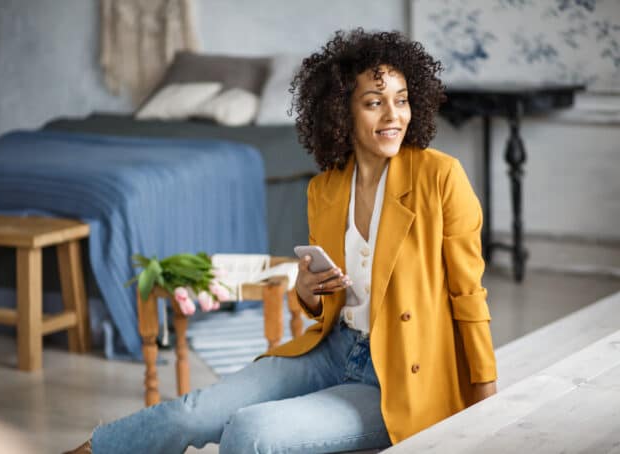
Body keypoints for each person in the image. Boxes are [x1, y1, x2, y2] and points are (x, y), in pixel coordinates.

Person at [66, 28, 497, 454]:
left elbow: (468, 296)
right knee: (192, 412)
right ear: (341, 112)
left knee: (250, 430)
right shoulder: (324, 190)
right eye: (374, 103)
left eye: (401, 100)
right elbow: (324, 303)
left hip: (400, 379)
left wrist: (486, 406)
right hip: (334, 350)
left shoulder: (440, 178)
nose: (393, 115)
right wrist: (307, 291)